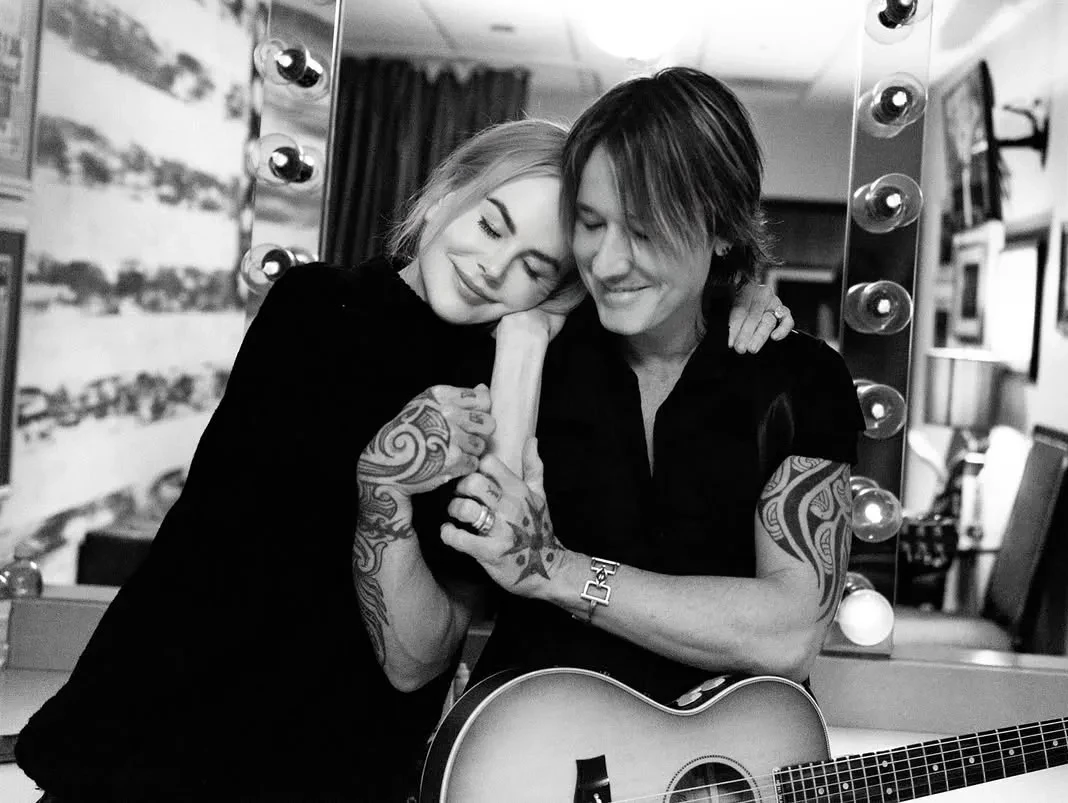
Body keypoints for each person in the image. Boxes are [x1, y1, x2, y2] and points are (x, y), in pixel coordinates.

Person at [15, 116, 792, 802]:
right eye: (491, 224)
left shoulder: (517, 390)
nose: (494, 267)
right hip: (149, 731)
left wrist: (518, 349)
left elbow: (415, 660)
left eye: (535, 267)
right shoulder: (311, 307)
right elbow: (231, 554)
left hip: (330, 770)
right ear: (449, 188)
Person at [364, 68, 864, 729]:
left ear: (722, 229)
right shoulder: (517, 354)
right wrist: (523, 338)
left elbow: (789, 633)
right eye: (591, 223)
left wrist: (554, 569)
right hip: (528, 755)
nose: (606, 262)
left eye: (645, 231)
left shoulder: (797, 381)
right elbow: (429, 633)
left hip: (716, 770)